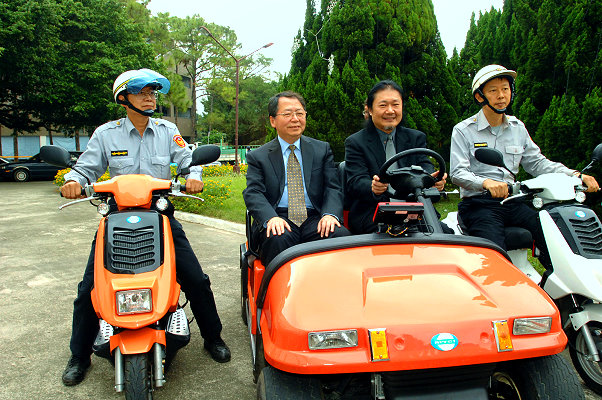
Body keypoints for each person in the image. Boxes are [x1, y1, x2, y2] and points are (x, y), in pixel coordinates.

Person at [60, 69, 230, 387]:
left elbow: (188, 159)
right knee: (89, 291)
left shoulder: (168, 130)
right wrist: (73, 181)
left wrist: (193, 176)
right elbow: (86, 167)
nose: (150, 97)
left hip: (160, 215)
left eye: (153, 92)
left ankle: (213, 338)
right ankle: (79, 356)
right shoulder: (106, 134)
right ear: (123, 98)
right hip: (116, 218)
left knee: (195, 279)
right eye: (141, 92)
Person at [450, 64, 600, 267]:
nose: (501, 95)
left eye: (505, 89)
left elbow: (537, 163)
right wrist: (486, 183)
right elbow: (457, 173)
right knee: (495, 256)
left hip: (512, 202)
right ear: (480, 96)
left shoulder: (517, 128)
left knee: (557, 236)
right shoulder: (463, 130)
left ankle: (563, 292)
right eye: (493, 90)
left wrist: (575, 176)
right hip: (478, 204)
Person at [243, 91, 350, 266]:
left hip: (315, 217)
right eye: (287, 114)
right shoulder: (258, 156)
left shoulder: (321, 149)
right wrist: (270, 218)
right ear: (273, 121)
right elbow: (253, 192)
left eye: (300, 113)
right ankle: (279, 292)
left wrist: (330, 214)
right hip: (279, 216)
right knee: (277, 238)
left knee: (340, 237)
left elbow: (333, 187)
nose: (295, 119)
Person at [345, 80, 449, 234]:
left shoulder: (415, 138)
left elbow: (425, 166)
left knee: (445, 237)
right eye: (383, 105)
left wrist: (433, 180)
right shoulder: (355, 142)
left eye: (395, 104)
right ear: (370, 110)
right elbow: (356, 181)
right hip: (374, 213)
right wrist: (373, 188)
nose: (390, 111)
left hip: (415, 209)